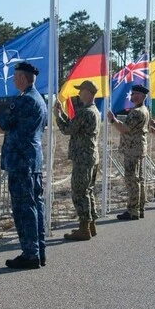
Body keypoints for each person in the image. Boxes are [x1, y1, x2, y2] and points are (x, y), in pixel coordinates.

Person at [0, 62, 47, 270]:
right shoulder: (40, 100)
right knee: (35, 206)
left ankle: (30, 254)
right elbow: (14, 129)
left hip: (21, 161)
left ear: (23, 78)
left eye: (15, 77)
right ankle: (37, 251)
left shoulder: (24, 101)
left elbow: (2, 124)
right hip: (32, 160)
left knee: (24, 208)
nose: (13, 80)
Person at [54, 80, 101, 239]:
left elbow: (68, 129)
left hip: (83, 157)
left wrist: (58, 117)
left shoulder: (85, 112)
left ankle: (84, 228)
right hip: (91, 156)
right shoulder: (94, 110)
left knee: (80, 192)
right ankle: (90, 224)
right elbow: (75, 125)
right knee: (88, 191)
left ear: (88, 92)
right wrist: (63, 114)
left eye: (81, 91)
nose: (79, 94)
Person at [108, 85, 150, 220]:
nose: (133, 96)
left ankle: (133, 210)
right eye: (132, 94)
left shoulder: (137, 112)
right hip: (137, 148)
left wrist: (112, 120)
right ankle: (139, 208)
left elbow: (124, 129)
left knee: (132, 180)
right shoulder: (143, 110)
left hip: (133, 149)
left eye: (136, 94)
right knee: (139, 179)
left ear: (143, 96)